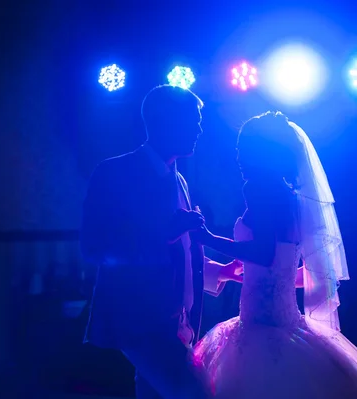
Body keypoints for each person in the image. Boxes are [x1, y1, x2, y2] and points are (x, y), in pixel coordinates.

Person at [193, 111, 357, 398]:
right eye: (238, 149)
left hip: (260, 324)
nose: (239, 157)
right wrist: (256, 276)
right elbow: (282, 260)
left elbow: (264, 252)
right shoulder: (288, 194)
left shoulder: (258, 189)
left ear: (262, 153)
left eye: (244, 149)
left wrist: (207, 238)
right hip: (286, 321)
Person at [80, 84, 243, 399]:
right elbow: (94, 247)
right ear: (164, 122)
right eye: (192, 121)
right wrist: (163, 233)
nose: (199, 129)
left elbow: (177, 251)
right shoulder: (114, 173)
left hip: (176, 323)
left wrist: (217, 271)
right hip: (139, 321)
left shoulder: (179, 179)